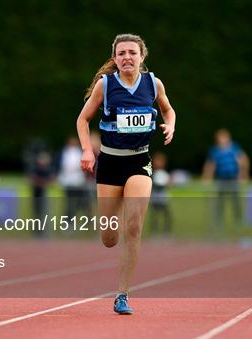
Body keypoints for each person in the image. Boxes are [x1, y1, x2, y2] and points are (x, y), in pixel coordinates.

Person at [76, 33, 175, 314]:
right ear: (115, 58)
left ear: (142, 56)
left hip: (138, 163)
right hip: (109, 164)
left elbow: (169, 111)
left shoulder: (153, 84)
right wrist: (86, 150)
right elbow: (83, 120)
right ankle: (112, 221)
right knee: (109, 238)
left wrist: (171, 126)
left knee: (134, 226)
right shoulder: (105, 86)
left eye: (132, 52)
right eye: (121, 53)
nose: (127, 57)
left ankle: (123, 294)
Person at [202, 128, 249, 229]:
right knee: (220, 202)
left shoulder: (234, 148)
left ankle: (238, 222)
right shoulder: (215, 151)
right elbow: (210, 165)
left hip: (233, 178)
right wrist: (207, 178)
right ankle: (219, 223)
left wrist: (243, 175)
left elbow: (243, 161)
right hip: (221, 179)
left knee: (235, 201)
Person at [150, 152, 172, 237]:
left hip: (163, 198)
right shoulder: (152, 173)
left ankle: (166, 232)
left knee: (167, 216)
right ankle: (154, 232)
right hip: (155, 198)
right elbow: (154, 185)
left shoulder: (165, 173)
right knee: (155, 216)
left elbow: (169, 184)